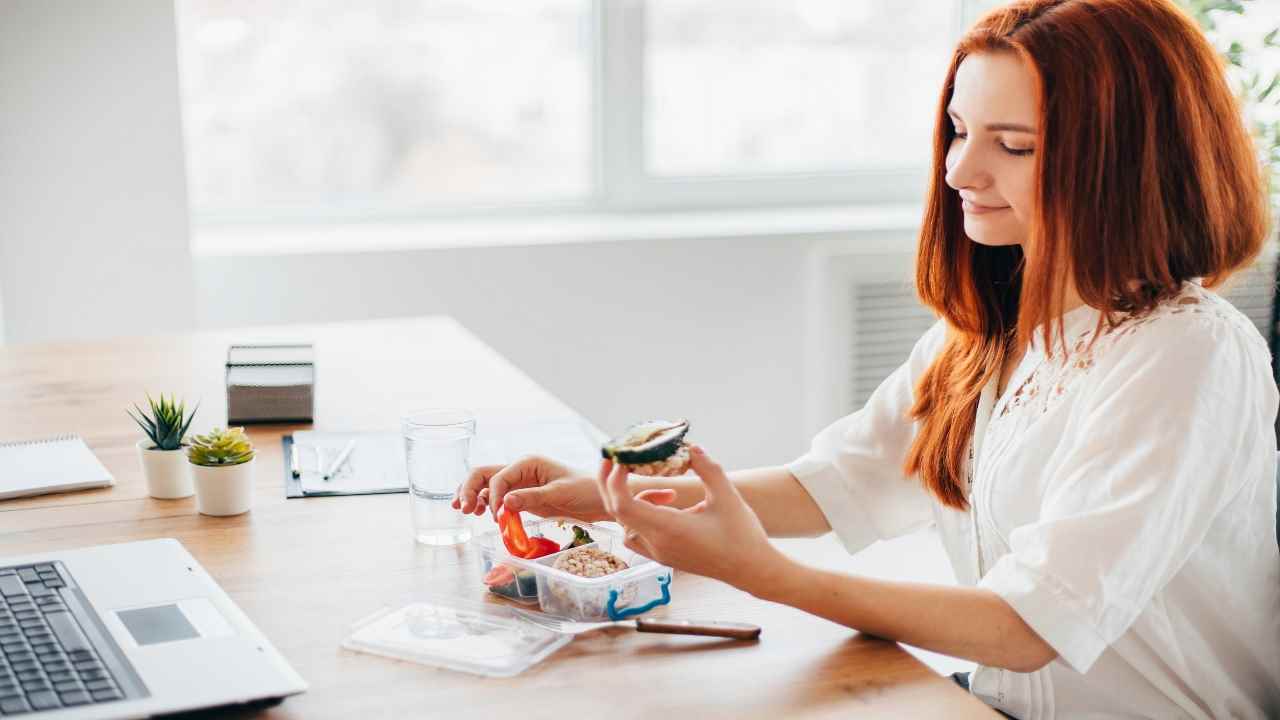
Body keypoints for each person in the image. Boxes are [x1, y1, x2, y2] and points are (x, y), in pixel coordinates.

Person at [453, 0, 1280, 717]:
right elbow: (832, 484)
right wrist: (603, 498)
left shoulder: (1186, 355)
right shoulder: (993, 331)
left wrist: (764, 575)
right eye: (958, 131)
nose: (961, 169)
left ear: (1122, 162)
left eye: (1014, 145)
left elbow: (1029, 628)